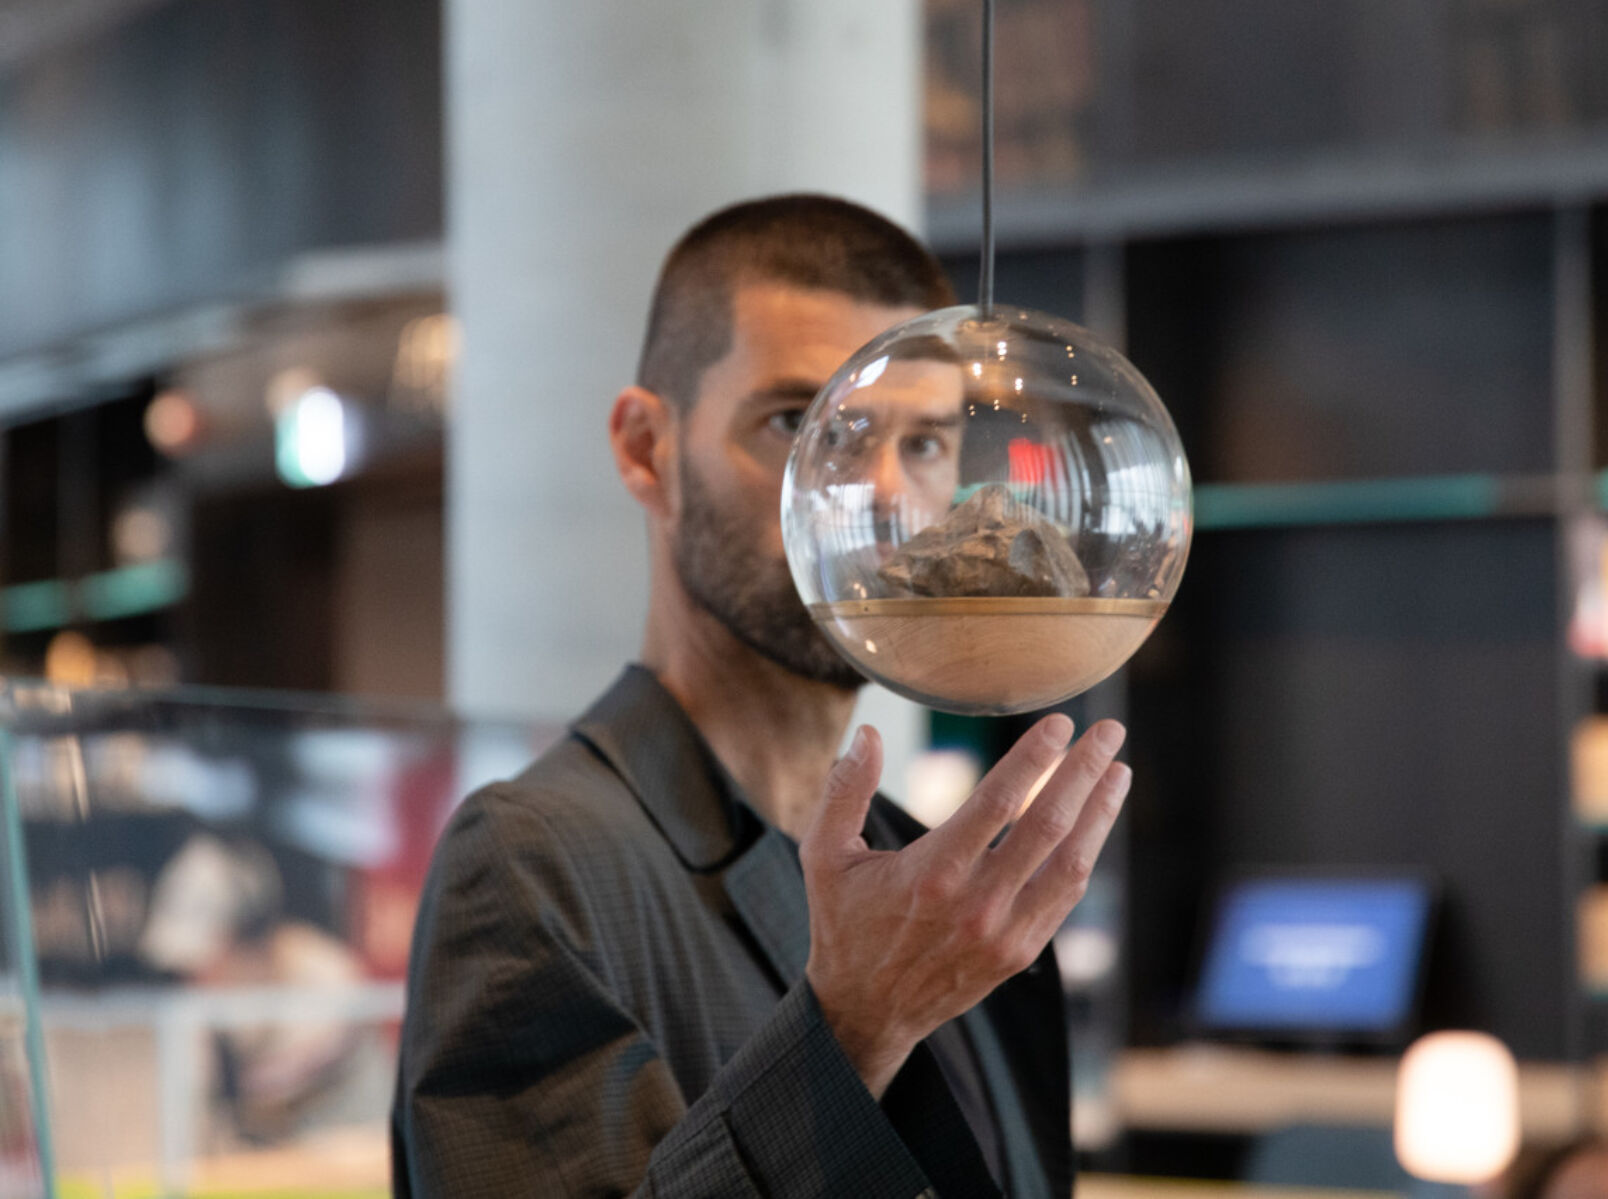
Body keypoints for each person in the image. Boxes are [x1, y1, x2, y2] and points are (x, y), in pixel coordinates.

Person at [391, 194, 1131, 1198]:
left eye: (922, 443)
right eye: (801, 421)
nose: (879, 494)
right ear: (647, 449)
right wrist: (854, 1030)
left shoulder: (942, 892)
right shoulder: (535, 864)